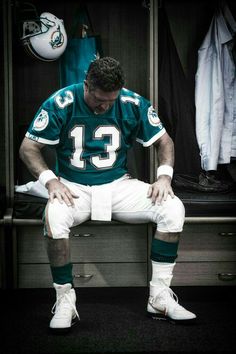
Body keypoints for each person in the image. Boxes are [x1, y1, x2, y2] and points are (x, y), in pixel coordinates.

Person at [19, 56, 196, 332]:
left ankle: (159, 298)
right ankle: (65, 300)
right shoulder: (62, 101)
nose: (104, 106)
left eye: (110, 100)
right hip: (73, 186)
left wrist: (164, 177)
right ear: (86, 85)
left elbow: (164, 141)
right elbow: (28, 148)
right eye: (99, 99)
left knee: (173, 208)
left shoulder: (131, 103)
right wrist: (51, 182)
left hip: (118, 185)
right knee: (53, 217)